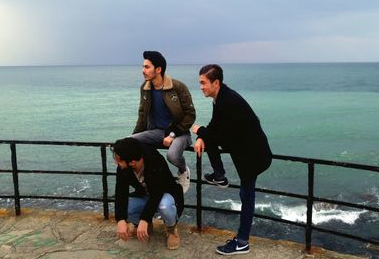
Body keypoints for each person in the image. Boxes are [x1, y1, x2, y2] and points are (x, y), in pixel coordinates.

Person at [192, 64, 272, 256]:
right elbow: (216, 125)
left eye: (203, 83)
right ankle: (220, 175)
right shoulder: (220, 98)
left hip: (253, 155)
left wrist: (199, 131)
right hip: (243, 148)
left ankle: (242, 242)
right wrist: (203, 135)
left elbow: (223, 137)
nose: (201, 87)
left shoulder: (229, 102)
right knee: (208, 137)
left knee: (246, 195)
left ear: (216, 82)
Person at [131, 51, 196, 193]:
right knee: (131, 143)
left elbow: (190, 115)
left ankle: (183, 171)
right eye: (143, 67)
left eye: (147, 67)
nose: (143, 71)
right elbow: (142, 115)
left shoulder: (178, 87)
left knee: (172, 156)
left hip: (180, 133)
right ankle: (148, 179)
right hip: (157, 132)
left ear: (158, 69)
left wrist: (172, 134)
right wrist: (134, 137)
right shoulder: (145, 88)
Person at [112, 137, 184, 250]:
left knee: (164, 205)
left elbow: (157, 193)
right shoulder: (123, 167)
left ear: (132, 162)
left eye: (118, 160)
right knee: (125, 207)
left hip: (163, 194)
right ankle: (145, 227)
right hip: (144, 195)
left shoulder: (155, 160)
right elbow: (121, 192)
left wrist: (144, 218)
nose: (116, 162)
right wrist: (121, 220)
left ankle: (171, 231)